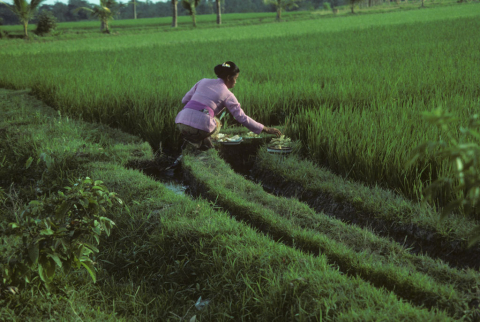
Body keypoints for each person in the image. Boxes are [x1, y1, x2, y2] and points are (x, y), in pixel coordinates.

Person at [175, 61, 282, 149]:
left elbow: (185, 100)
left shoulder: (202, 81)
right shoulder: (228, 94)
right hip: (201, 128)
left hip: (181, 122)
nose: (236, 82)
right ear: (228, 77)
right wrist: (266, 129)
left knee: (207, 115)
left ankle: (196, 141)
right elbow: (241, 117)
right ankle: (201, 141)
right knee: (216, 122)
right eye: (235, 78)